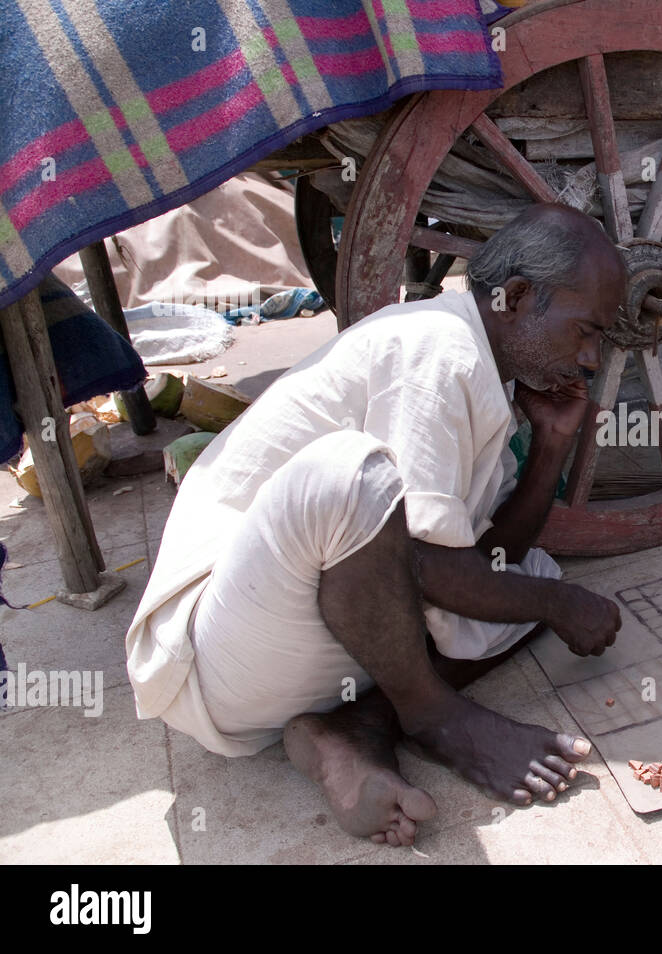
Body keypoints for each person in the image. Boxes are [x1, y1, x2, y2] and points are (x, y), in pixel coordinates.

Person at [125, 204, 630, 846]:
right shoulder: (437, 347)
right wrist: (559, 605)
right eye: (585, 330)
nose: (590, 358)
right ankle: (432, 715)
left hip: (309, 655)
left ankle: (359, 728)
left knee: (531, 575)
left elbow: (485, 561)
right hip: (219, 649)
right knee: (352, 474)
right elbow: (434, 570)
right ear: (518, 297)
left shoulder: (486, 374)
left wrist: (551, 447)